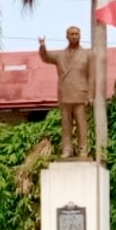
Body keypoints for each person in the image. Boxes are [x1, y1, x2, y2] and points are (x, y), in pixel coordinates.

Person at [38, 26, 94, 158]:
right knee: (66, 125)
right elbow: (45, 57)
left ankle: (83, 149)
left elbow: (92, 76)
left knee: (81, 125)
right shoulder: (60, 55)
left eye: (77, 34)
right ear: (67, 36)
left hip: (80, 94)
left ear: (80, 36)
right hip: (65, 94)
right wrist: (42, 46)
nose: (74, 36)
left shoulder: (88, 54)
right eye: (72, 34)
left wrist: (91, 95)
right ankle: (67, 149)